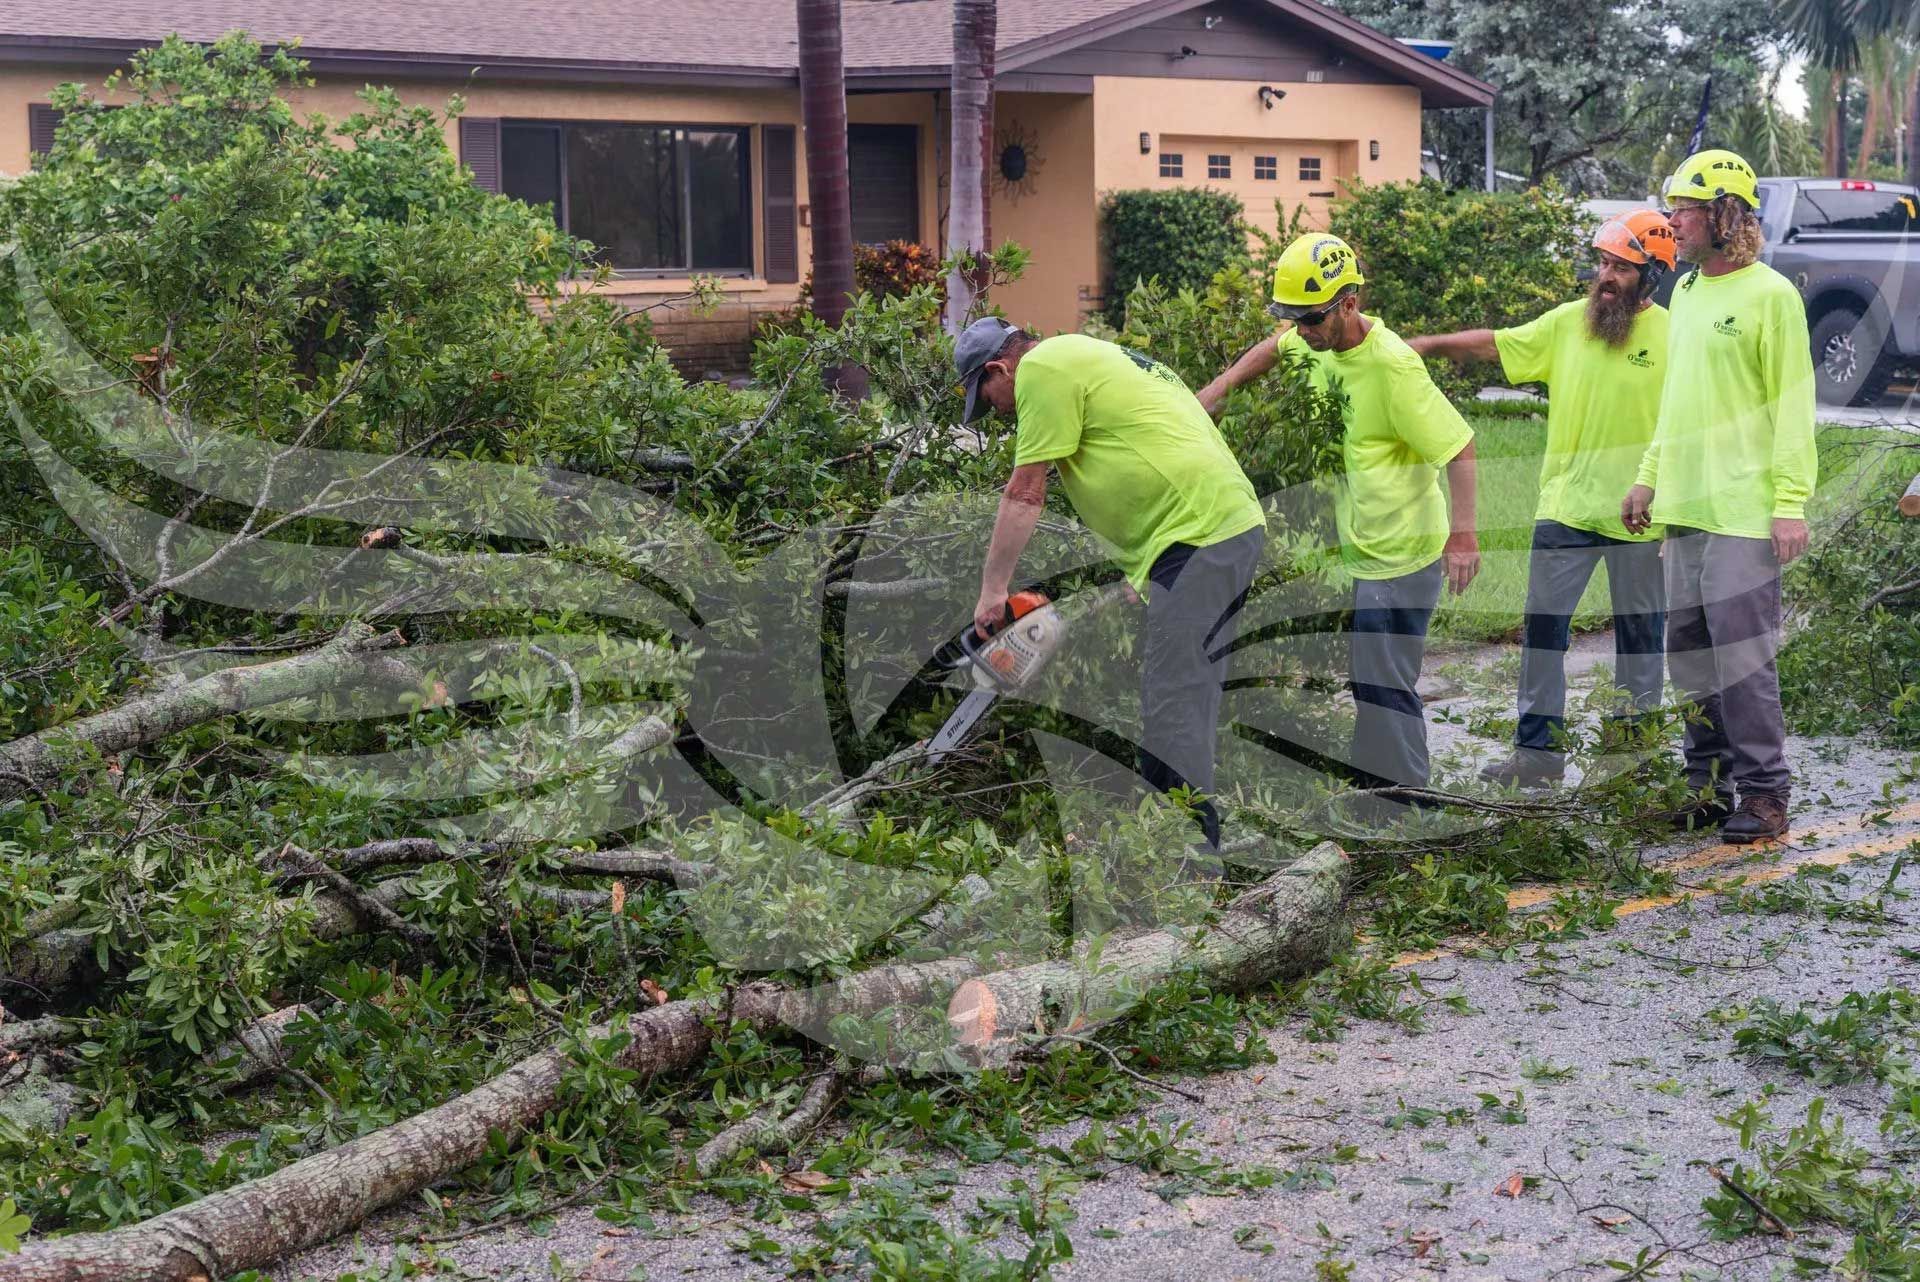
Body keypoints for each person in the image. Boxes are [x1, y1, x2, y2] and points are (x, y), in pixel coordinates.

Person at [956, 319, 1267, 850]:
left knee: (1173, 697)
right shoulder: (1088, 355)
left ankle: (1190, 851)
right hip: (1214, 531)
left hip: (1198, 534)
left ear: (998, 369)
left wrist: (992, 593)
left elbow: (1026, 491)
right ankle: (1184, 838)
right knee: (1185, 692)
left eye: (988, 399)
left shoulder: (1041, 369)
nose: (999, 413)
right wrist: (1140, 573)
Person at [1405, 211, 1678, 788]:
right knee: (1544, 632)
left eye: (1621, 269)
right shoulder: (1567, 323)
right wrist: (1425, 345)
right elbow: (1494, 344)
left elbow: (1688, 427)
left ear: (1651, 275)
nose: (1605, 277)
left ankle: (1633, 758)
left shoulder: (1675, 338)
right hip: (1566, 508)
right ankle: (1538, 757)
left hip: (1642, 516)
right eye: (1602, 264)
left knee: (1639, 640)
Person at [1196, 233, 1478, 792]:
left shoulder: (1394, 368)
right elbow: (1274, 348)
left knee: (1385, 687)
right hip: (1363, 549)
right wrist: (1214, 394)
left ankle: (1411, 809)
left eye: (1313, 318)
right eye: (1295, 317)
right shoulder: (1313, 339)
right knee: (1369, 683)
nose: (1302, 330)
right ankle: (1376, 797)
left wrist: (1464, 539)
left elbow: (1460, 448)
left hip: (1402, 554)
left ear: (1350, 302)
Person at [1622, 148, 1816, 843]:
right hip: (1684, 506)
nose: (1672, 221)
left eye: (1684, 210)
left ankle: (1765, 797)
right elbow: (1677, 402)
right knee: (1691, 658)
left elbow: (1793, 409)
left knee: (1743, 662)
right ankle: (1707, 786)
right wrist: (1649, 474)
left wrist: (1789, 502)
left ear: (1725, 215)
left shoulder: (1772, 297)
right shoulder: (1690, 291)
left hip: (1742, 512)